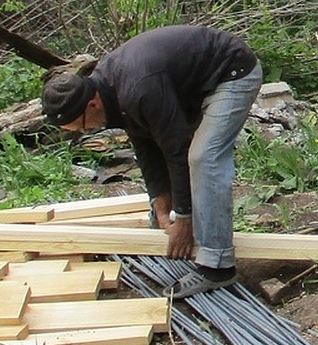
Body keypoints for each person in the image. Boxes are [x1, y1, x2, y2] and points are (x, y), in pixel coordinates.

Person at [40, 24, 263, 299]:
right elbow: (144, 142)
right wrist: (160, 200)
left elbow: (177, 148)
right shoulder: (109, 87)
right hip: (192, 87)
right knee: (188, 161)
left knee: (203, 157)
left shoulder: (137, 88)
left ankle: (217, 266)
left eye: (80, 127)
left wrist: (182, 217)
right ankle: (191, 226)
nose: (82, 132)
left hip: (231, 72)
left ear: (92, 106)